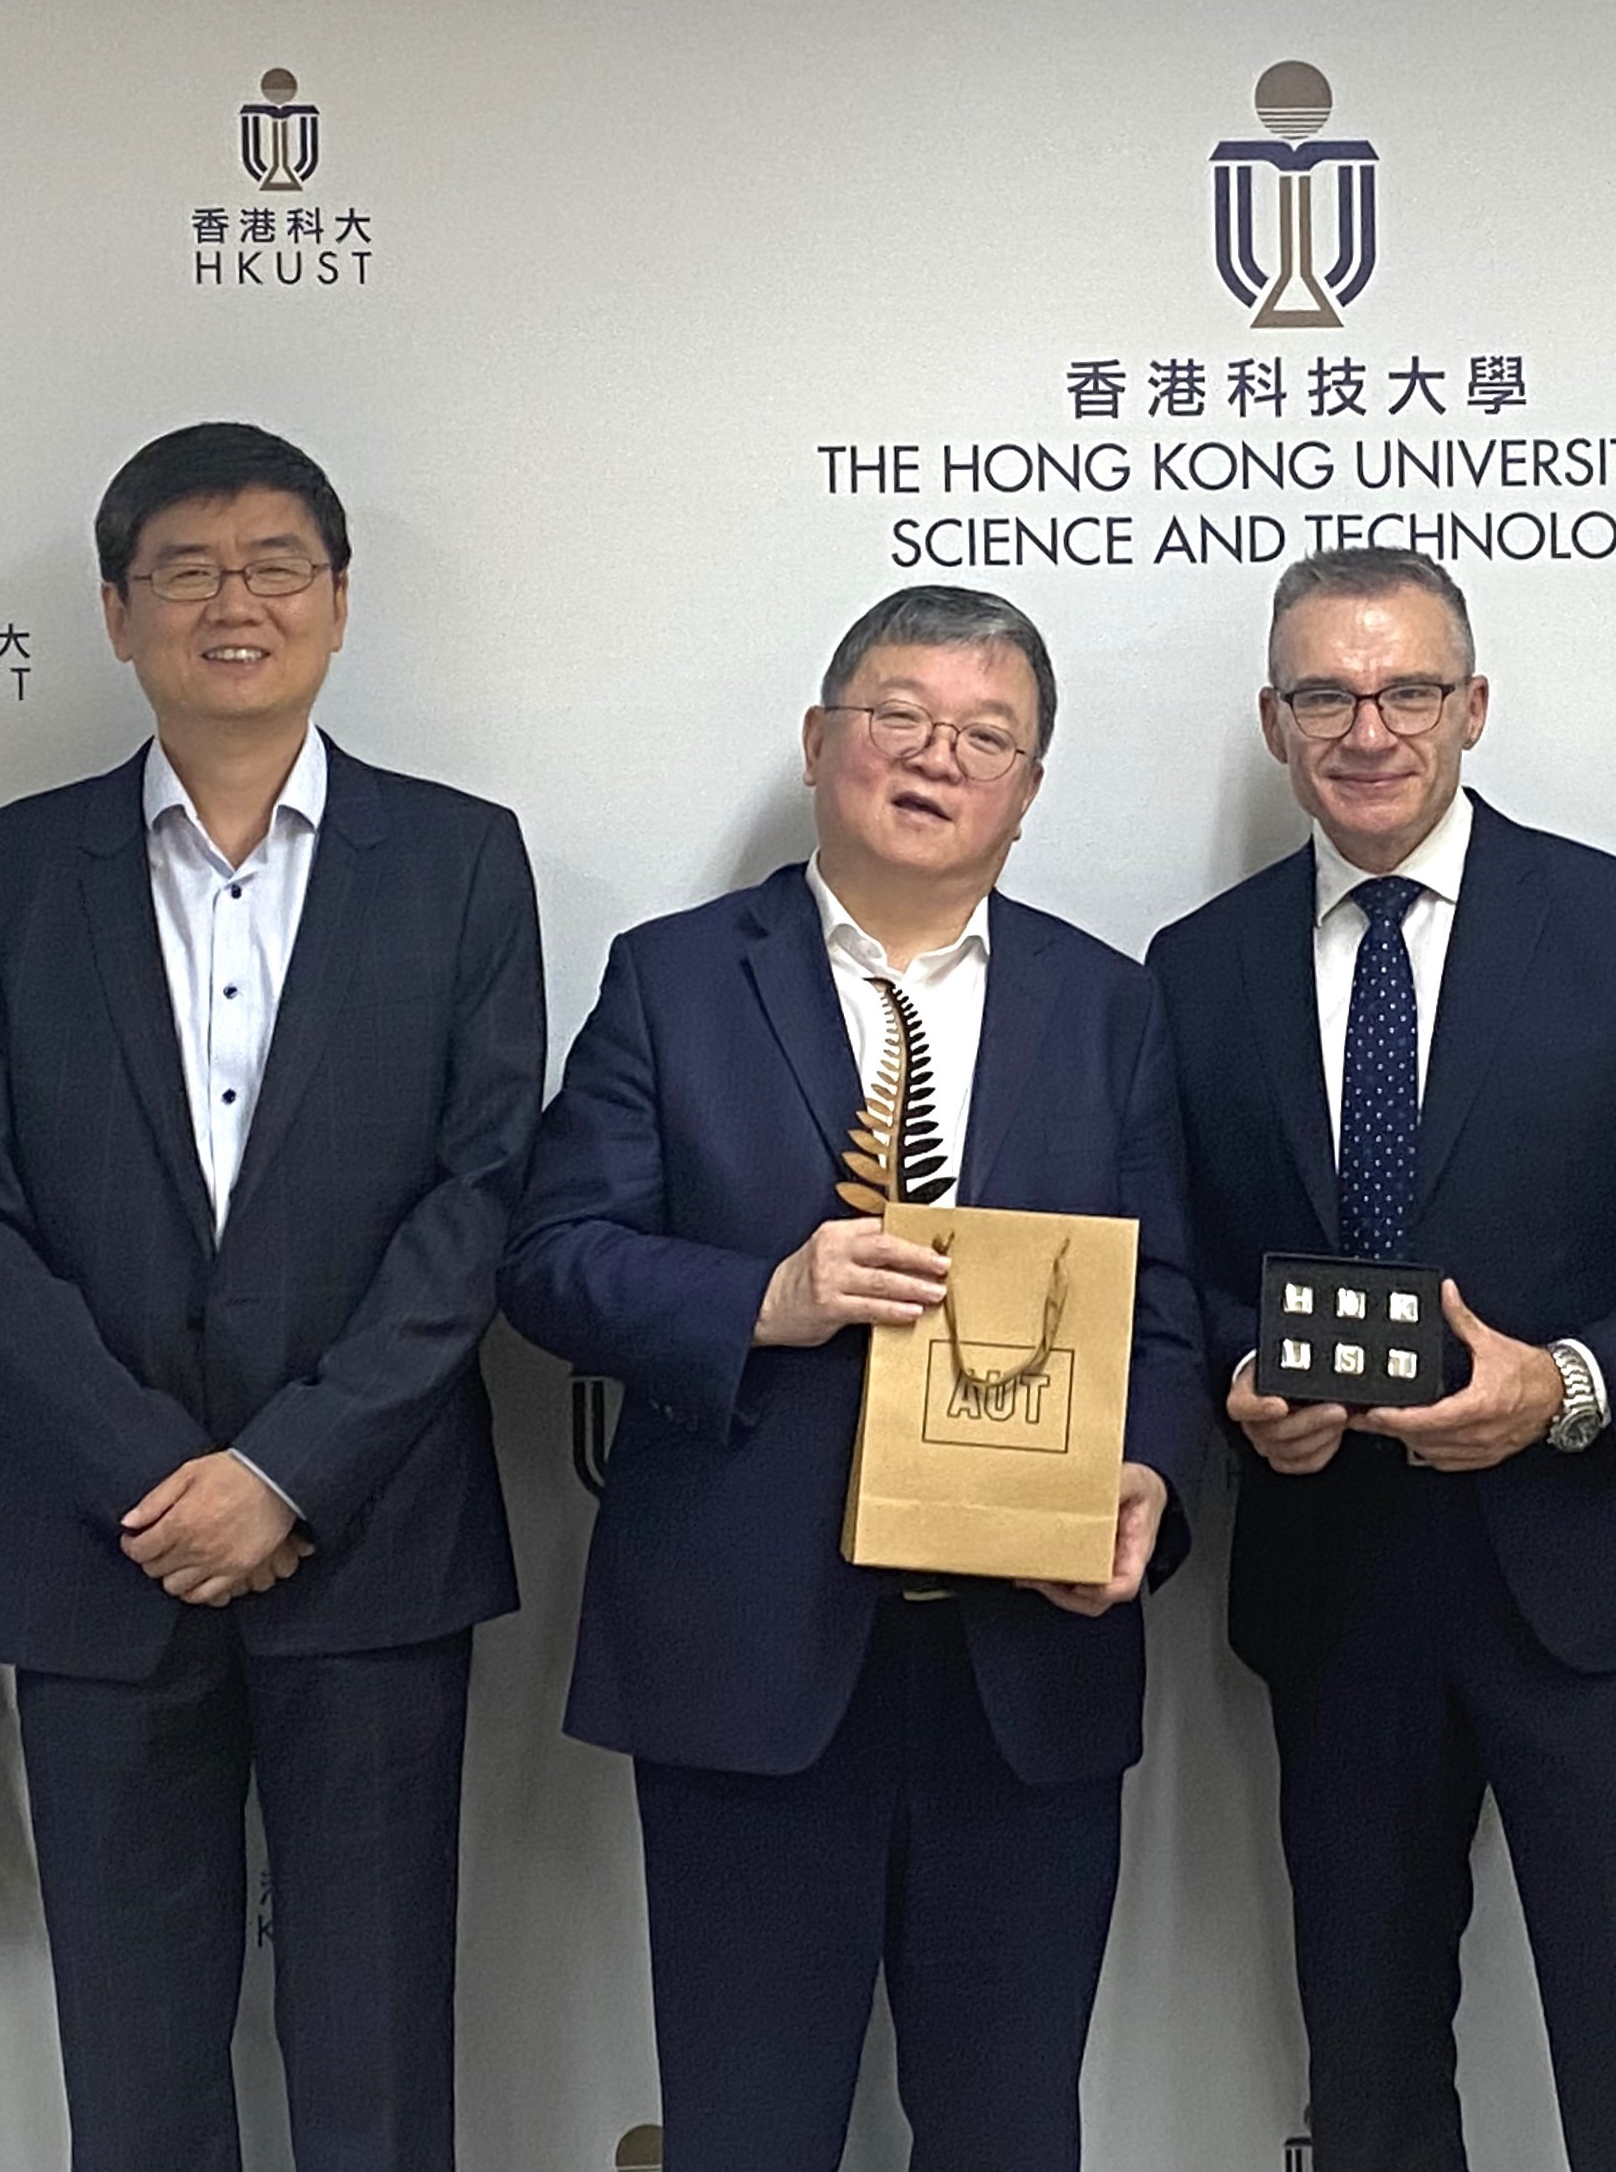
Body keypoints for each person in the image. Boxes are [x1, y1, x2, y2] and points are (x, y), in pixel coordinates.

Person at [0, 423, 544, 2172]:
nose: (231, 600)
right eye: (184, 569)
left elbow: (479, 1194)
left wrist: (287, 1470)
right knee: (132, 2054)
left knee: (379, 2050)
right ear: (118, 614)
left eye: (274, 564)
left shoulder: (460, 860)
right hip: (98, 1555)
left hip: (374, 1541)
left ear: (338, 601)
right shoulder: (1, 874)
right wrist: (152, 1473)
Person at [503, 585, 1198, 2172]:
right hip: (751, 1660)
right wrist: (766, 1291)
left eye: (986, 735)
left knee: (1011, 2126)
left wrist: (1146, 1485)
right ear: (821, 743)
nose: (935, 757)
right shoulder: (674, 979)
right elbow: (550, 1257)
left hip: (1025, 1663)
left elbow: (1165, 1302)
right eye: (899, 717)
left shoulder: (1106, 1003)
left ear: (1027, 787)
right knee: (750, 2130)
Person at [1146, 547, 1616, 2172]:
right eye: (1325, 694)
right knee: (1362, 2071)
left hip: (1591, 1583)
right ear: (1275, 719)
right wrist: (1239, 1388)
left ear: (1472, 706)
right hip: (1336, 1584)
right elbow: (1177, 1272)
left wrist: (1563, 1382)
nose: (1368, 728)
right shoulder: (1196, 965)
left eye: (1407, 690)